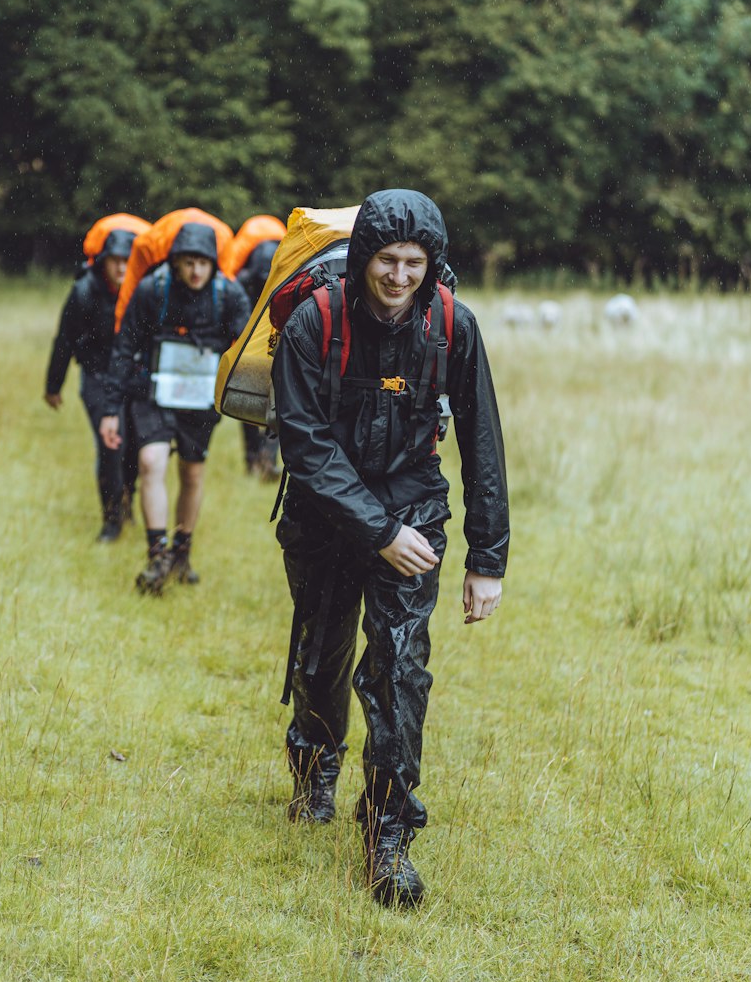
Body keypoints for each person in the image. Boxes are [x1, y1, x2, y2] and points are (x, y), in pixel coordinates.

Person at [272, 189, 509, 909]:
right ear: (363, 259)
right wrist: (377, 531)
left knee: (402, 664)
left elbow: (483, 440)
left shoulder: (451, 326)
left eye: (415, 262)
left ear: (432, 264)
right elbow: (305, 444)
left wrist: (487, 557)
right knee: (323, 653)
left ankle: (388, 835)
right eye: (387, 259)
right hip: (326, 516)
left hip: (414, 509)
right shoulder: (316, 322)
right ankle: (316, 767)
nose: (400, 276)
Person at [100, 222, 250, 593]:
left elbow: (246, 349)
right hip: (152, 395)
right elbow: (123, 348)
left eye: (203, 262)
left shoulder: (229, 295)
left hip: (199, 402)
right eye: (188, 262)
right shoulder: (153, 290)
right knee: (151, 462)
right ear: (175, 263)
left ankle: (183, 550)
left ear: (214, 263)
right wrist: (109, 408)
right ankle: (157, 555)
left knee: (192, 474)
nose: (196, 271)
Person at [44, 227, 140, 543]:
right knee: (112, 445)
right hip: (97, 377)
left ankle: (127, 503)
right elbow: (64, 339)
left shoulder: (142, 291)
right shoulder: (84, 290)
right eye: (115, 261)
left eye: (128, 261)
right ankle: (111, 520)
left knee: (134, 447)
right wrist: (53, 385)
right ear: (102, 261)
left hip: (131, 379)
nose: (121, 268)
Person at [236, 235, 283, 480]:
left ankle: (264, 458)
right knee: (249, 405)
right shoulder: (243, 281)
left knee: (274, 405)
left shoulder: (285, 275)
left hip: (273, 348)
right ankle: (254, 458)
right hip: (251, 350)